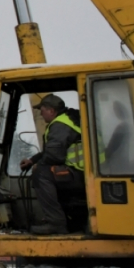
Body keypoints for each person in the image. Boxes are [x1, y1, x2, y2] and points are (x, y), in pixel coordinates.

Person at [20, 94, 86, 235]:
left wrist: (38, 166)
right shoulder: (69, 119)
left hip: (80, 173)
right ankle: (69, 220)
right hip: (85, 171)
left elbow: (54, 155)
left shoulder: (60, 125)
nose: (41, 114)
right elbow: (51, 150)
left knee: (41, 174)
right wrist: (33, 160)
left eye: (42, 110)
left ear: (51, 110)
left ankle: (56, 223)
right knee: (47, 171)